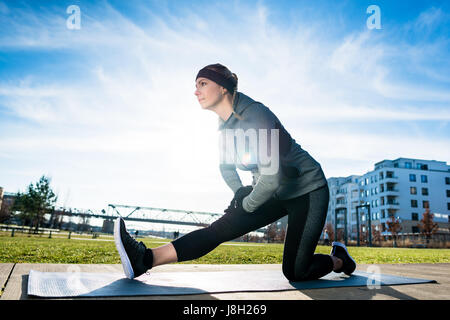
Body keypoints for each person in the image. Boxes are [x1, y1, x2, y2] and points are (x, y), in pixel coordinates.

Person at [114, 63, 356, 281]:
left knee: (295, 272)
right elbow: (226, 167)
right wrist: (240, 193)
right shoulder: (224, 127)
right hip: (272, 192)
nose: (196, 91)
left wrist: (247, 204)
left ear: (223, 88)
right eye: (196, 85)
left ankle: (339, 259)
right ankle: (144, 259)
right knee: (218, 230)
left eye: (203, 83)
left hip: (307, 190)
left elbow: (272, 177)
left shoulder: (257, 114)